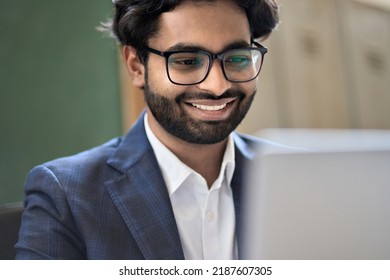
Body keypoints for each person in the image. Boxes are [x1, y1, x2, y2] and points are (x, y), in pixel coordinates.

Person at [15, 0, 282, 259]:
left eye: (236, 58)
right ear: (135, 65)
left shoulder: (298, 176)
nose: (217, 86)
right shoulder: (65, 195)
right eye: (187, 61)